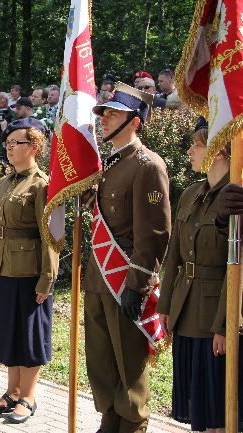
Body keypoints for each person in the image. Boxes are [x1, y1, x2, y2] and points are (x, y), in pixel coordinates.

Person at [83, 82, 172, 433]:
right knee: (102, 360)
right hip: (98, 279)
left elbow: (154, 234)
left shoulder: (147, 165)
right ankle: (110, 418)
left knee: (128, 362)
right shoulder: (108, 165)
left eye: (113, 113)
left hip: (125, 282)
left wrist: (137, 283)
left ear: (135, 121)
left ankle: (132, 423)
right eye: (104, 113)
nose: (104, 119)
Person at [157, 117, 241, 433]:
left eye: (197, 145)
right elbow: (174, 257)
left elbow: (236, 271)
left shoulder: (236, 195)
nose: (190, 151)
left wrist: (224, 326)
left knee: (218, 410)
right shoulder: (192, 193)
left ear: (218, 151)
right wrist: (164, 307)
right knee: (197, 411)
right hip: (187, 309)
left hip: (215, 317)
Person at [0, 118, 59, 424]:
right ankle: (12, 391)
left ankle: (28, 397)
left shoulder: (42, 184)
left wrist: (47, 279)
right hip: (1, 266)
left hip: (28, 271)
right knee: (8, 333)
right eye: (8, 143)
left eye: (17, 143)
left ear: (35, 146)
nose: (10, 148)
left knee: (28, 335)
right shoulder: (5, 181)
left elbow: (52, 236)